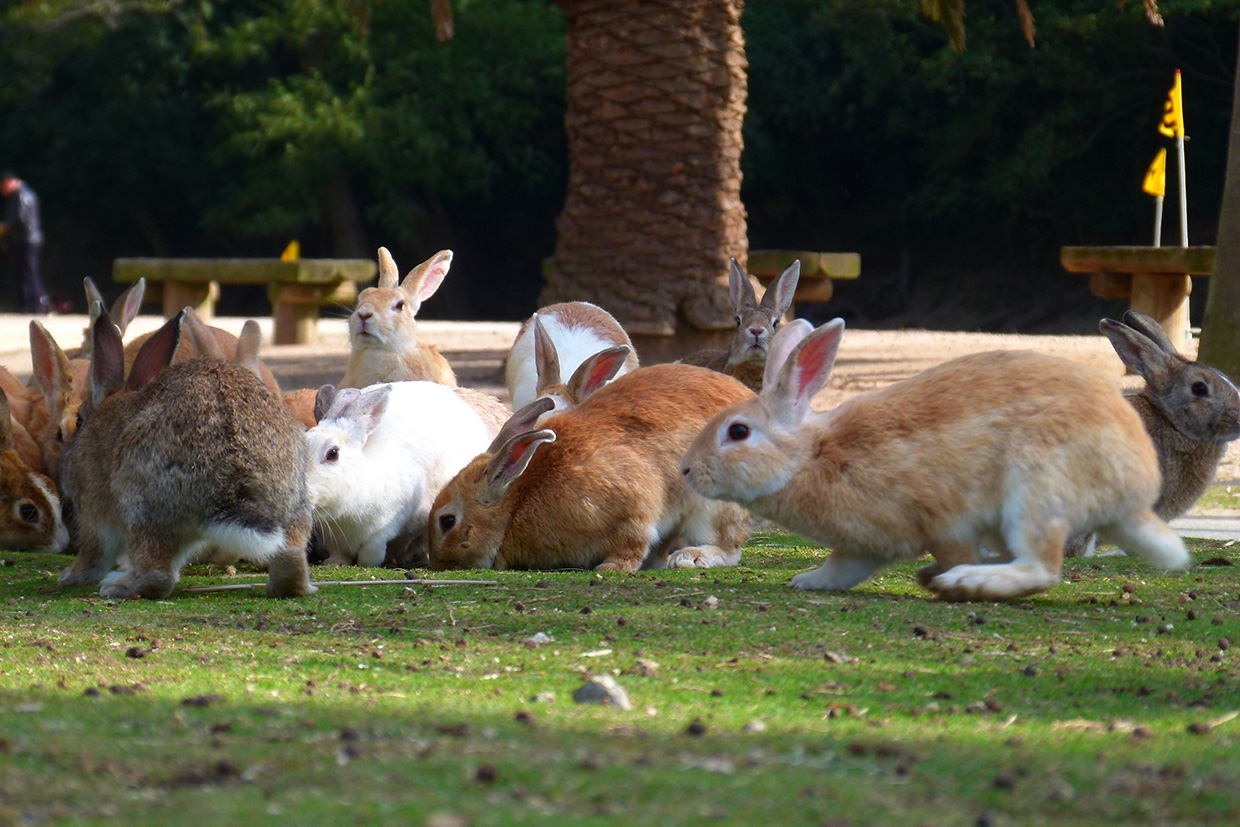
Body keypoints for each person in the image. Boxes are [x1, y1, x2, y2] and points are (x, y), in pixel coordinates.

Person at [0, 171, 50, 314]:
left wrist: (4, 227)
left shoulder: (21, 196)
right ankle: (26, 306)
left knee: (29, 273)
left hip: (27, 241)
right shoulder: (20, 195)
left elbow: (20, 220)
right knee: (23, 273)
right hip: (23, 240)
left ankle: (36, 306)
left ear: (11, 182)